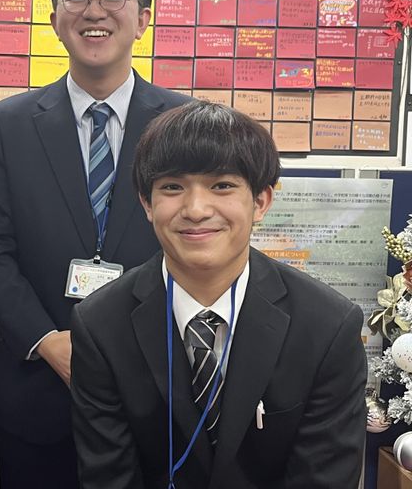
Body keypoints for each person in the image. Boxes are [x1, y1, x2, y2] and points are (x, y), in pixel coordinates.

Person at [0, 0, 191, 488]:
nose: (95, 11)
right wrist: (48, 342)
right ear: (55, 19)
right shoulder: (11, 124)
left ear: (143, 18)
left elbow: (200, 244)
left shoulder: (185, 123)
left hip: (155, 388)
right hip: (37, 391)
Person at [71, 101, 367, 488]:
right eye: (172, 187)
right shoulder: (100, 325)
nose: (196, 209)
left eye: (222, 185)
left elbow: (324, 478)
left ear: (260, 202)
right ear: (146, 203)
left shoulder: (328, 326)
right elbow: (109, 477)